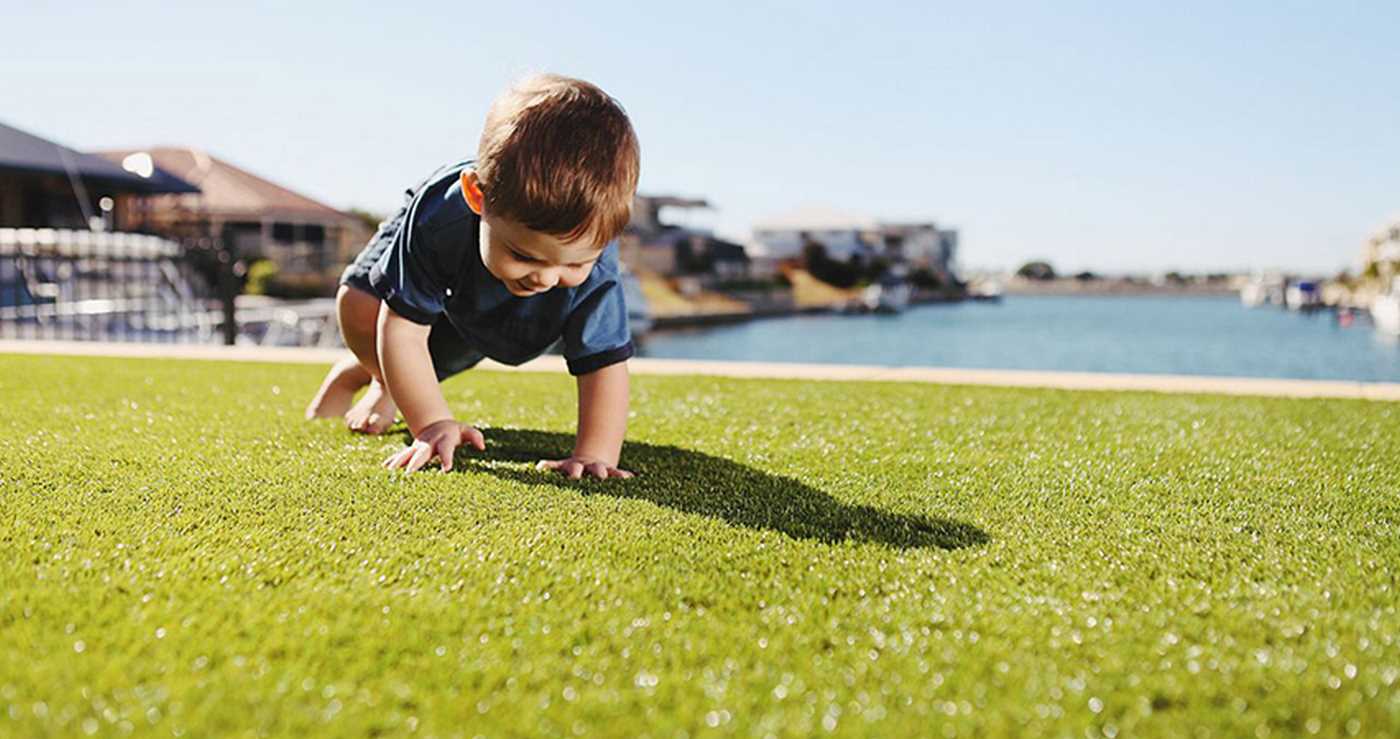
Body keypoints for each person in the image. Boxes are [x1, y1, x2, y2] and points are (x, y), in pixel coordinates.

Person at [305, 73, 639, 480]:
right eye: (523, 255)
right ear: (477, 196)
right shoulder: (439, 220)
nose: (546, 279)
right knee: (360, 305)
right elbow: (404, 328)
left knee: (470, 340)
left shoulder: (597, 261)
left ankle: (386, 382)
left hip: (480, 288)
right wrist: (430, 424)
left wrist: (595, 453)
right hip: (441, 241)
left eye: (573, 265)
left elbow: (603, 362)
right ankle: (377, 375)